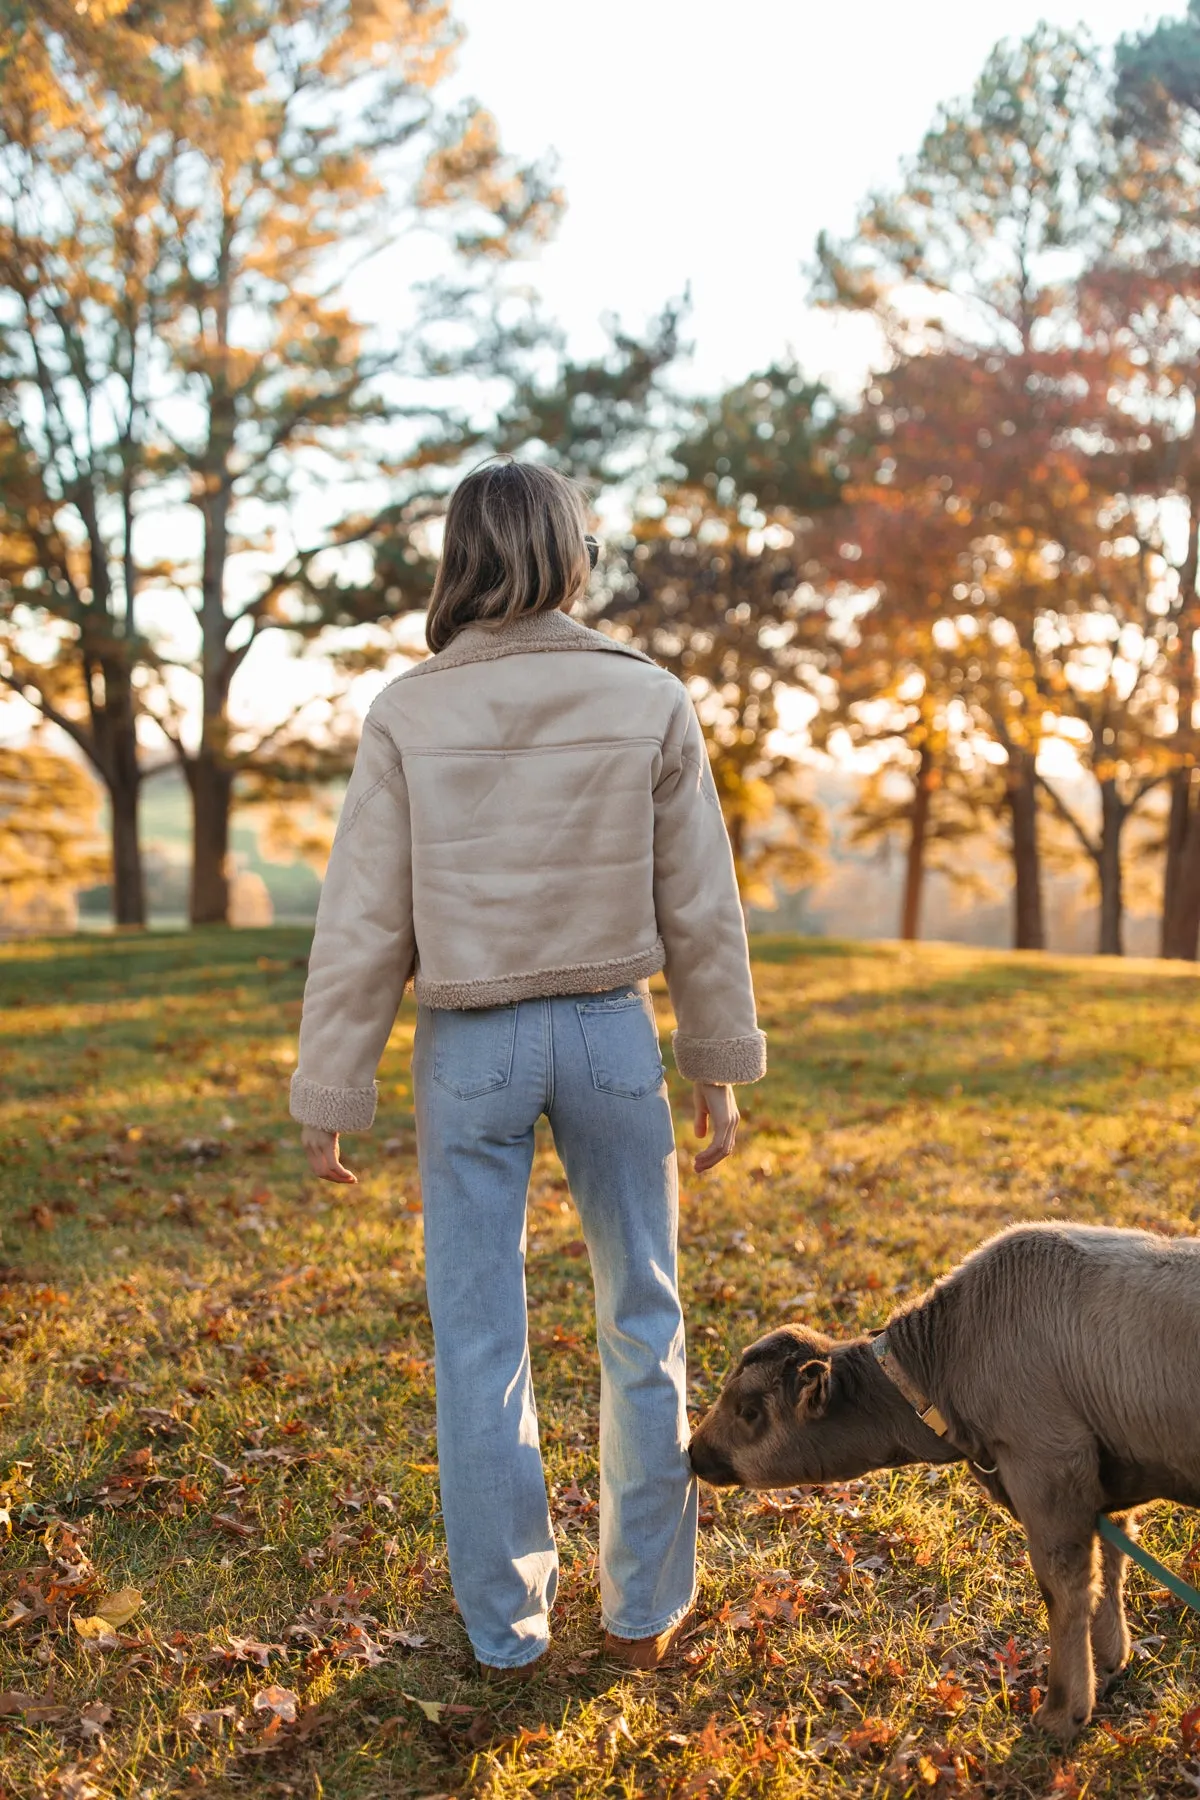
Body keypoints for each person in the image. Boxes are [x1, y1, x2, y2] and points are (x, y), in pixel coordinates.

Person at [290, 459, 766, 1676]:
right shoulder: (647, 693)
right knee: (642, 1320)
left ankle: (506, 1632)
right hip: (612, 1033)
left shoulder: (408, 709)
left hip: (471, 1048)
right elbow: (701, 902)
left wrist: (330, 1088)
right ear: (571, 550)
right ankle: (643, 1611)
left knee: (479, 1339)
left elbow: (360, 923)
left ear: (459, 556)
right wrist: (715, 1059)